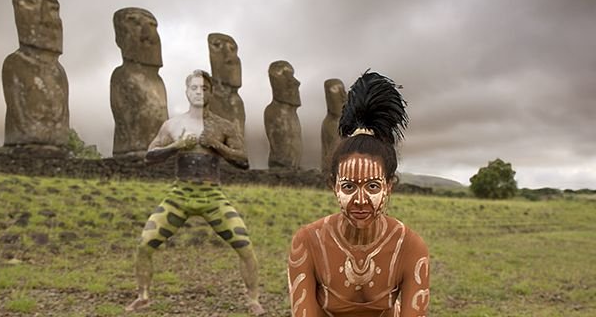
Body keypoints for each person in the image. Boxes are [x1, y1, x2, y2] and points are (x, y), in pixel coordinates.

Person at [287, 71, 430, 317]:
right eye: (349, 187)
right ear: (334, 186)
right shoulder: (308, 242)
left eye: (373, 186)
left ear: (389, 186)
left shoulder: (409, 246)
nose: (360, 201)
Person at [126, 70, 265, 315]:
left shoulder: (223, 126)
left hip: (212, 196)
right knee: (144, 244)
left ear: (210, 92)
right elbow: (150, 156)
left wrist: (217, 145)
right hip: (180, 195)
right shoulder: (173, 124)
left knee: (245, 246)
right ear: (187, 91)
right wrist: (176, 145)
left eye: (204, 88)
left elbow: (243, 161)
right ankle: (143, 296)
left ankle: (253, 299)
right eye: (194, 88)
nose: (199, 92)